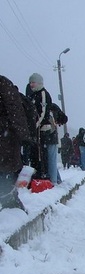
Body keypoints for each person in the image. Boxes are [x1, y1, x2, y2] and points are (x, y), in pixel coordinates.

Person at [0, 75, 31, 211]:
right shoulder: (4, 84)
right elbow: (16, 111)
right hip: (5, 138)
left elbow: (15, 111)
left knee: (5, 171)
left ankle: (11, 209)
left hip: (5, 137)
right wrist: (24, 136)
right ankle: (11, 207)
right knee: (5, 171)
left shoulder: (3, 84)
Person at [28, 73, 61, 185]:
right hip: (37, 130)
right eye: (30, 82)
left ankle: (49, 180)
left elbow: (42, 112)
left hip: (43, 130)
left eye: (33, 82)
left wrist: (35, 125)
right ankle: (47, 178)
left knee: (44, 156)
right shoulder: (33, 95)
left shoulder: (43, 94)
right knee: (40, 155)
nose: (31, 84)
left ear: (39, 83)